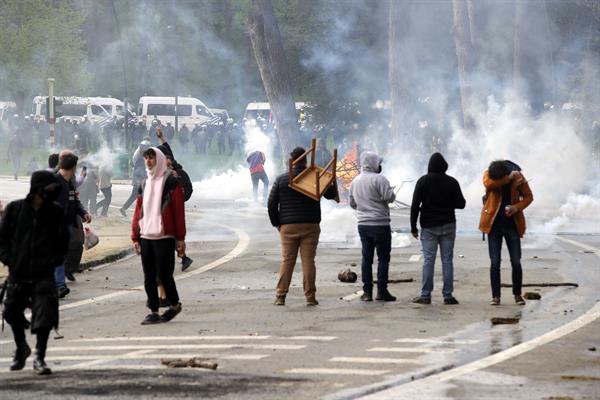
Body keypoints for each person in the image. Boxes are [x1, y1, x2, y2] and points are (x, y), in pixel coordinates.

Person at [0, 171, 68, 375]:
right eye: (47, 188)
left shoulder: (55, 212)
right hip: (18, 273)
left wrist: (53, 261)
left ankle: (40, 355)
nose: (51, 192)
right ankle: (22, 347)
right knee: (11, 311)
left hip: (43, 273)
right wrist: (9, 260)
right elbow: (2, 239)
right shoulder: (15, 209)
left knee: (44, 314)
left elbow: (62, 241)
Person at [267, 147, 338, 306]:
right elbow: (331, 194)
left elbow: (271, 204)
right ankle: (310, 297)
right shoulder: (315, 177)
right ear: (305, 160)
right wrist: (331, 180)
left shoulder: (282, 179)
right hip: (310, 225)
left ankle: (280, 295)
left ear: (291, 160)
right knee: (308, 262)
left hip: (288, 226)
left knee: (287, 261)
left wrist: (277, 223)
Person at [131, 147, 186, 324]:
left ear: (159, 160)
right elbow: (138, 211)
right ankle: (153, 311)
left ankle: (175, 305)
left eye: (152, 158)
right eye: (146, 158)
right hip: (146, 235)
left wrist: (180, 238)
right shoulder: (144, 183)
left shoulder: (171, 182)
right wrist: (135, 236)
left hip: (165, 236)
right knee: (149, 276)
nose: (148, 161)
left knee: (164, 274)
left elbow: (178, 211)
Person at [410, 153, 466, 305]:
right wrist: (447, 202)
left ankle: (425, 295)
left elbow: (415, 206)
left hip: (428, 226)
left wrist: (413, 227)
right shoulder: (452, 182)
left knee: (429, 260)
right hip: (448, 224)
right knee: (447, 260)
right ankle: (448, 296)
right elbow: (461, 204)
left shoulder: (423, 181)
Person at [479, 160, 533, 306]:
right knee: (495, 262)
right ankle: (495, 296)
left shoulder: (518, 177)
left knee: (516, 261)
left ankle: (517, 294)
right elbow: (488, 184)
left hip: (512, 225)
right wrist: (508, 179)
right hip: (493, 225)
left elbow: (529, 197)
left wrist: (516, 208)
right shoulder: (489, 175)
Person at [349, 151, 397, 302]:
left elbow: (352, 203)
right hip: (380, 224)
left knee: (366, 258)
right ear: (374, 163)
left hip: (363, 225)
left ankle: (367, 292)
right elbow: (389, 197)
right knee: (383, 259)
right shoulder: (380, 179)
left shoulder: (355, 181)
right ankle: (382, 291)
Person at [54, 151, 92, 296]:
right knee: (57, 255)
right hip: (55, 226)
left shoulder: (69, 183)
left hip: (68, 225)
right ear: (74, 167)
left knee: (62, 255)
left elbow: (75, 201)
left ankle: (59, 284)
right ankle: (59, 285)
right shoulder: (54, 182)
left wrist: (83, 213)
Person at [120, 139, 151, 217]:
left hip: (138, 180)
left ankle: (124, 208)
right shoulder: (141, 159)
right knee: (142, 196)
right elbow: (141, 171)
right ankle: (143, 213)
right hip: (139, 181)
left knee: (138, 196)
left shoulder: (139, 157)